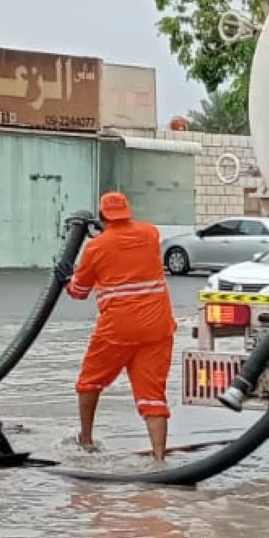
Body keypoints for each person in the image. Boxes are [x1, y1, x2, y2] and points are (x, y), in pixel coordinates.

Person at [67, 190, 176, 461]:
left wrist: (65, 277)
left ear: (102, 216)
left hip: (117, 330)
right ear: (128, 211)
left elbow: (78, 291)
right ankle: (160, 459)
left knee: (89, 383)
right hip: (157, 328)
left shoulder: (96, 247)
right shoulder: (150, 234)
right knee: (153, 397)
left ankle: (86, 440)